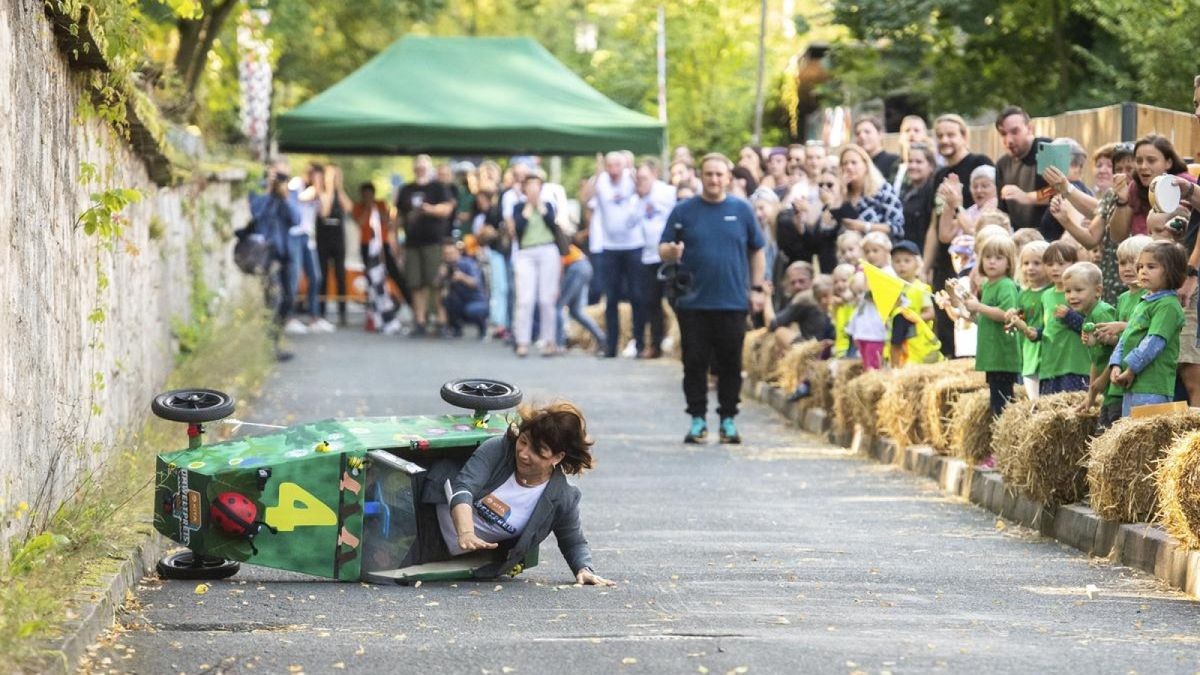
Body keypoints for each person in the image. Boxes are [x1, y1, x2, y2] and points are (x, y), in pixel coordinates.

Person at [422, 402, 613, 585]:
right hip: (424, 518)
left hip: (452, 554)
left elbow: (573, 541)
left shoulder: (562, 496)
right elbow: (463, 488)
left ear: (557, 457)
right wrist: (466, 533)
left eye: (538, 451)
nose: (523, 453)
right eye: (523, 441)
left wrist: (584, 569)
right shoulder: (498, 449)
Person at [659, 153, 766, 445]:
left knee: (730, 363)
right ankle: (697, 419)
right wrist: (672, 252)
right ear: (700, 177)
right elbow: (663, 248)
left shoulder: (742, 210)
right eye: (709, 174)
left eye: (719, 174)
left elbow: (757, 250)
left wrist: (757, 288)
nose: (714, 180)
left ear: (728, 177)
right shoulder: (684, 211)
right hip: (693, 301)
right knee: (694, 362)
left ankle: (728, 419)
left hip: (732, 300)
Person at [925, 113, 995, 357]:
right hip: (948, 260)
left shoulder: (979, 164)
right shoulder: (939, 174)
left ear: (964, 136)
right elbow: (937, 227)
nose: (945, 140)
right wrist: (927, 264)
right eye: (940, 135)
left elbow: (984, 226)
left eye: (951, 134)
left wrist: (956, 205)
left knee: (972, 325)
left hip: (977, 263)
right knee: (946, 324)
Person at [1109, 242, 1188, 417]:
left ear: (1171, 271)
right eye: (1140, 267)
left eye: (1151, 266)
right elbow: (1126, 337)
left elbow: (1154, 342)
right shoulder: (1144, 302)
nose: (1143, 271)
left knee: (1147, 439)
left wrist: (1130, 369)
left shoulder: (1168, 305)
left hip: (1153, 385)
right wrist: (1116, 364)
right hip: (1132, 381)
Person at [1089, 236, 1153, 427]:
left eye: (1133, 263)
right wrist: (1102, 337)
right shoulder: (1123, 298)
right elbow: (1119, 341)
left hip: (1134, 376)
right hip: (1115, 376)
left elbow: (1144, 334)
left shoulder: (1149, 297)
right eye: (1121, 262)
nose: (1126, 268)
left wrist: (1121, 327)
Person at [588, 152, 643, 358]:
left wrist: (634, 174)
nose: (613, 170)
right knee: (611, 298)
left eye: (617, 165)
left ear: (624, 165)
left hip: (633, 244)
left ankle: (639, 343)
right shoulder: (601, 180)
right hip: (610, 246)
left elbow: (644, 192)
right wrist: (597, 173)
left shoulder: (631, 177)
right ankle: (611, 346)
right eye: (610, 166)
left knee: (637, 296)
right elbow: (586, 198)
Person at [962, 234, 1021, 420]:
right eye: (987, 257)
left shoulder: (1006, 285)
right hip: (991, 355)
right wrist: (969, 310)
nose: (992, 262)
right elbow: (985, 318)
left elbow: (1006, 314)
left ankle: (1003, 441)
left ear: (1009, 262)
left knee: (1003, 402)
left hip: (1002, 355)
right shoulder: (987, 285)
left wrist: (978, 306)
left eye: (998, 258)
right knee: (996, 400)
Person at [397, 155, 455, 336]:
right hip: (412, 242)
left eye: (424, 166)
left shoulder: (438, 187)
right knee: (416, 283)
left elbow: (447, 209)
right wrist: (395, 239)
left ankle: (441, 320)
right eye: (418, 166)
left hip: (433, 242)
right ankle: (420, 321)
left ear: (429, 169)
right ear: (414, 168)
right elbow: (398, 217)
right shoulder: (406, 189)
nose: (421, 169)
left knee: (436, 283)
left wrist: (427, 209)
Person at [511, 174, 564, 357]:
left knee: (546, 299)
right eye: (530, 186)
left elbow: (552, 223)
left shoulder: (548, 205)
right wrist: (528, 207)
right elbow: (518, 229)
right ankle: (522, 341)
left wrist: (540, 206)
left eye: (536, 186)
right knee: (525, 299)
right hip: (526, 253)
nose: (533, 190)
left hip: (547, 250)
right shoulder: (518, 207)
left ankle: (549, 340)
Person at [632, 160, 677, 358]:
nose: (640, 182)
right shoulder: (637, 198)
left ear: (654, 174)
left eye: (644, 178)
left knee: (675, 299)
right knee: (651, 302)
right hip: (647, 255)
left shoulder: (667, 193)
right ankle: (655, 345)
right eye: (638, 178)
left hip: (667, 254)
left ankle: (678, 342)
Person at [353, 182, 407, 334]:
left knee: (392, 275)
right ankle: (374, 313)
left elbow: (388, 222)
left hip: (382, 245)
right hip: (367, 246)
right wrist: (368, 207)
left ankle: (405, 303)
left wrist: (376, 208)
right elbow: (360, 223)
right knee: (372, 279)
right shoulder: (359, 207)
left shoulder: (381, 204)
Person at [994, 106, 1051, 232]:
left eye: (1015, 132)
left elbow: (1060, 190)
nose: (1009, 140)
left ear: (1030, 128)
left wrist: (1028, 197)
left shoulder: (1047, 150)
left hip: (1049, 239)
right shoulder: (1002, 165)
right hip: (1018, 240)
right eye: (1003, 134)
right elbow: (1002, 211)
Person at [831, 144, 905, 240]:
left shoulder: (883, 190)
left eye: (854, 163)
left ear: (865, 165)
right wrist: (841, 192)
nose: (849, 167)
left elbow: (897, 228)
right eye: (844, 163)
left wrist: (865, 226)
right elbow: (830, 229)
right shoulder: (840, 194)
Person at [315, 165, 354, 326]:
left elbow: (349, 208)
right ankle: (321, 312)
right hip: (323, 240)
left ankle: (342, 312)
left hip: (338, 240)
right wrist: (329, 188)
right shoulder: (321, 194)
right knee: (322, 276)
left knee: (340, 276)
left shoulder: (340, 194)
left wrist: (339, 188)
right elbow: (324, 211)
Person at [557, 244, 606, 352]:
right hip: (584, 266)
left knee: (558, 307)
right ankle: (602, 338)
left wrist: (558, 287)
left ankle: (560, 343)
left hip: (576, 267)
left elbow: (559, 265)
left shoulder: (552, 244)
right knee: (575, 311)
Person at [439, 240, 489, 339]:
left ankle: (482, 327)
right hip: (459, 301)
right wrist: (441, 276)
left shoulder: (468, 263)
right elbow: (436, 285)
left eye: (451, 253)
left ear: (458, 252)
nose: (449, 256)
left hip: (474, 300)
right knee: (447, 300)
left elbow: (476, 283)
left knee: (473, 310)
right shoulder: (445, 267)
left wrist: (462, 277)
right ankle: (456, 328)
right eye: (446, 254)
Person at [900, 142, 937, 249]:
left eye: (918, 162)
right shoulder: (905, 191)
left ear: (931, 166)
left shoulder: (933, 191)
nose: (913, 166)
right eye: (910, 161)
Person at [855, 116, 900, 180]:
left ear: (880, 134)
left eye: (867, 132)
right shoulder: (856, 165)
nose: (862, 136)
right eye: (858, 133)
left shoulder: (894, 161)